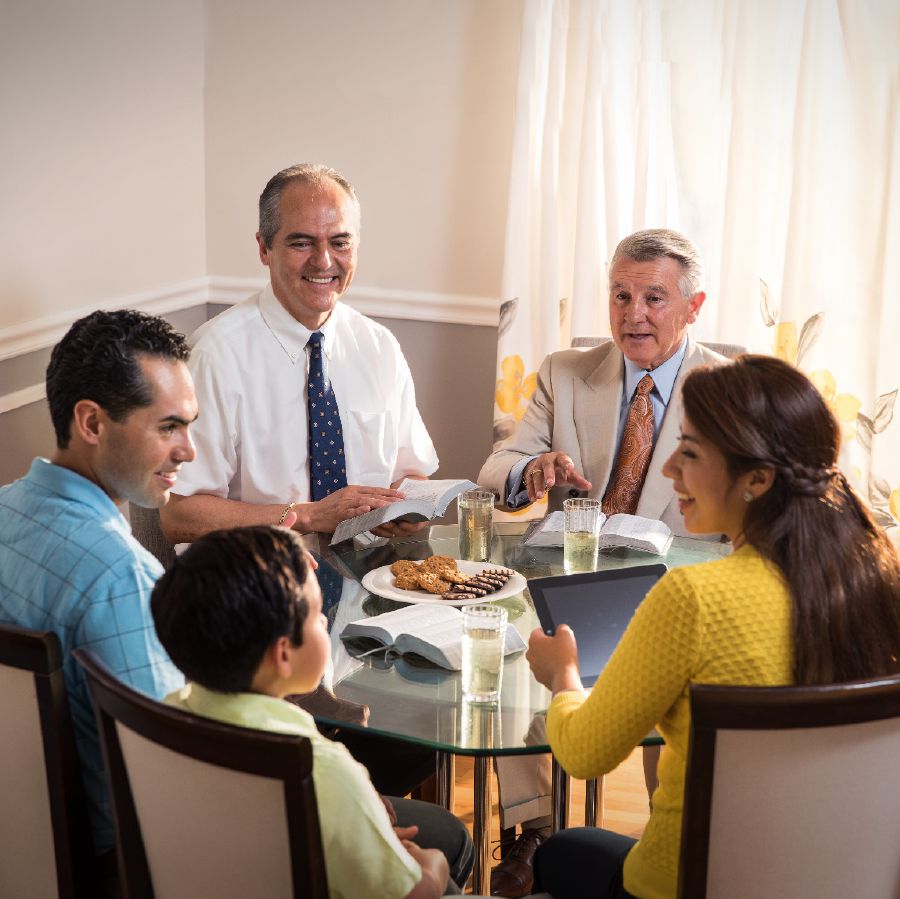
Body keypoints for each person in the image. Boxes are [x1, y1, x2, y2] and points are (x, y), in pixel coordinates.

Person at [525, 355, 900, 899]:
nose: (669, 468)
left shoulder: (694, 599)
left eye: (691, 452)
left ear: (757, 480)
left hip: (683, 886)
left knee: (561, 851)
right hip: (837, 884)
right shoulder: (880, 583)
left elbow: (584, 754)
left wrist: (563, 674)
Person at [478, 229, 728, 896]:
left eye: (654, 298)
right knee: (510, 650)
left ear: (694, 306)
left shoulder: (726, 388)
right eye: (620, 296)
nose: (633, 314)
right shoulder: (565, 371)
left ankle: (665, 832)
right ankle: (532, 827)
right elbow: (496, 467)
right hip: (572, 587)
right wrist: (532, 468)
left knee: (677, 697)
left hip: (675, 592)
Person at [150, 526, 476, 898]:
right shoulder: (321, 769)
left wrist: (361, 814)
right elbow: (415, 893)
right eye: (318, 615)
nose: (325, 622)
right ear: (283, 654)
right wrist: (431, 864)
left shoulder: (164, 719)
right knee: (448, 855)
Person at [0, 310, 197, 888]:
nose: (188, 451)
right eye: (168, 427)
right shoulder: (121, 577)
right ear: (91, 422)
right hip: (121, 870)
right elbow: (165, 790)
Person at [160, 162, 438, 544]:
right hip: (260, 572)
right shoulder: (215, 356)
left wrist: (406, 508)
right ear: (264, 248)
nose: (323, 261)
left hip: (370, 569)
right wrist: (307, 517)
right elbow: (178, 514)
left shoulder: (379, 347)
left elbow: (411, 474)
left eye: (340, 242)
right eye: (302, 243)